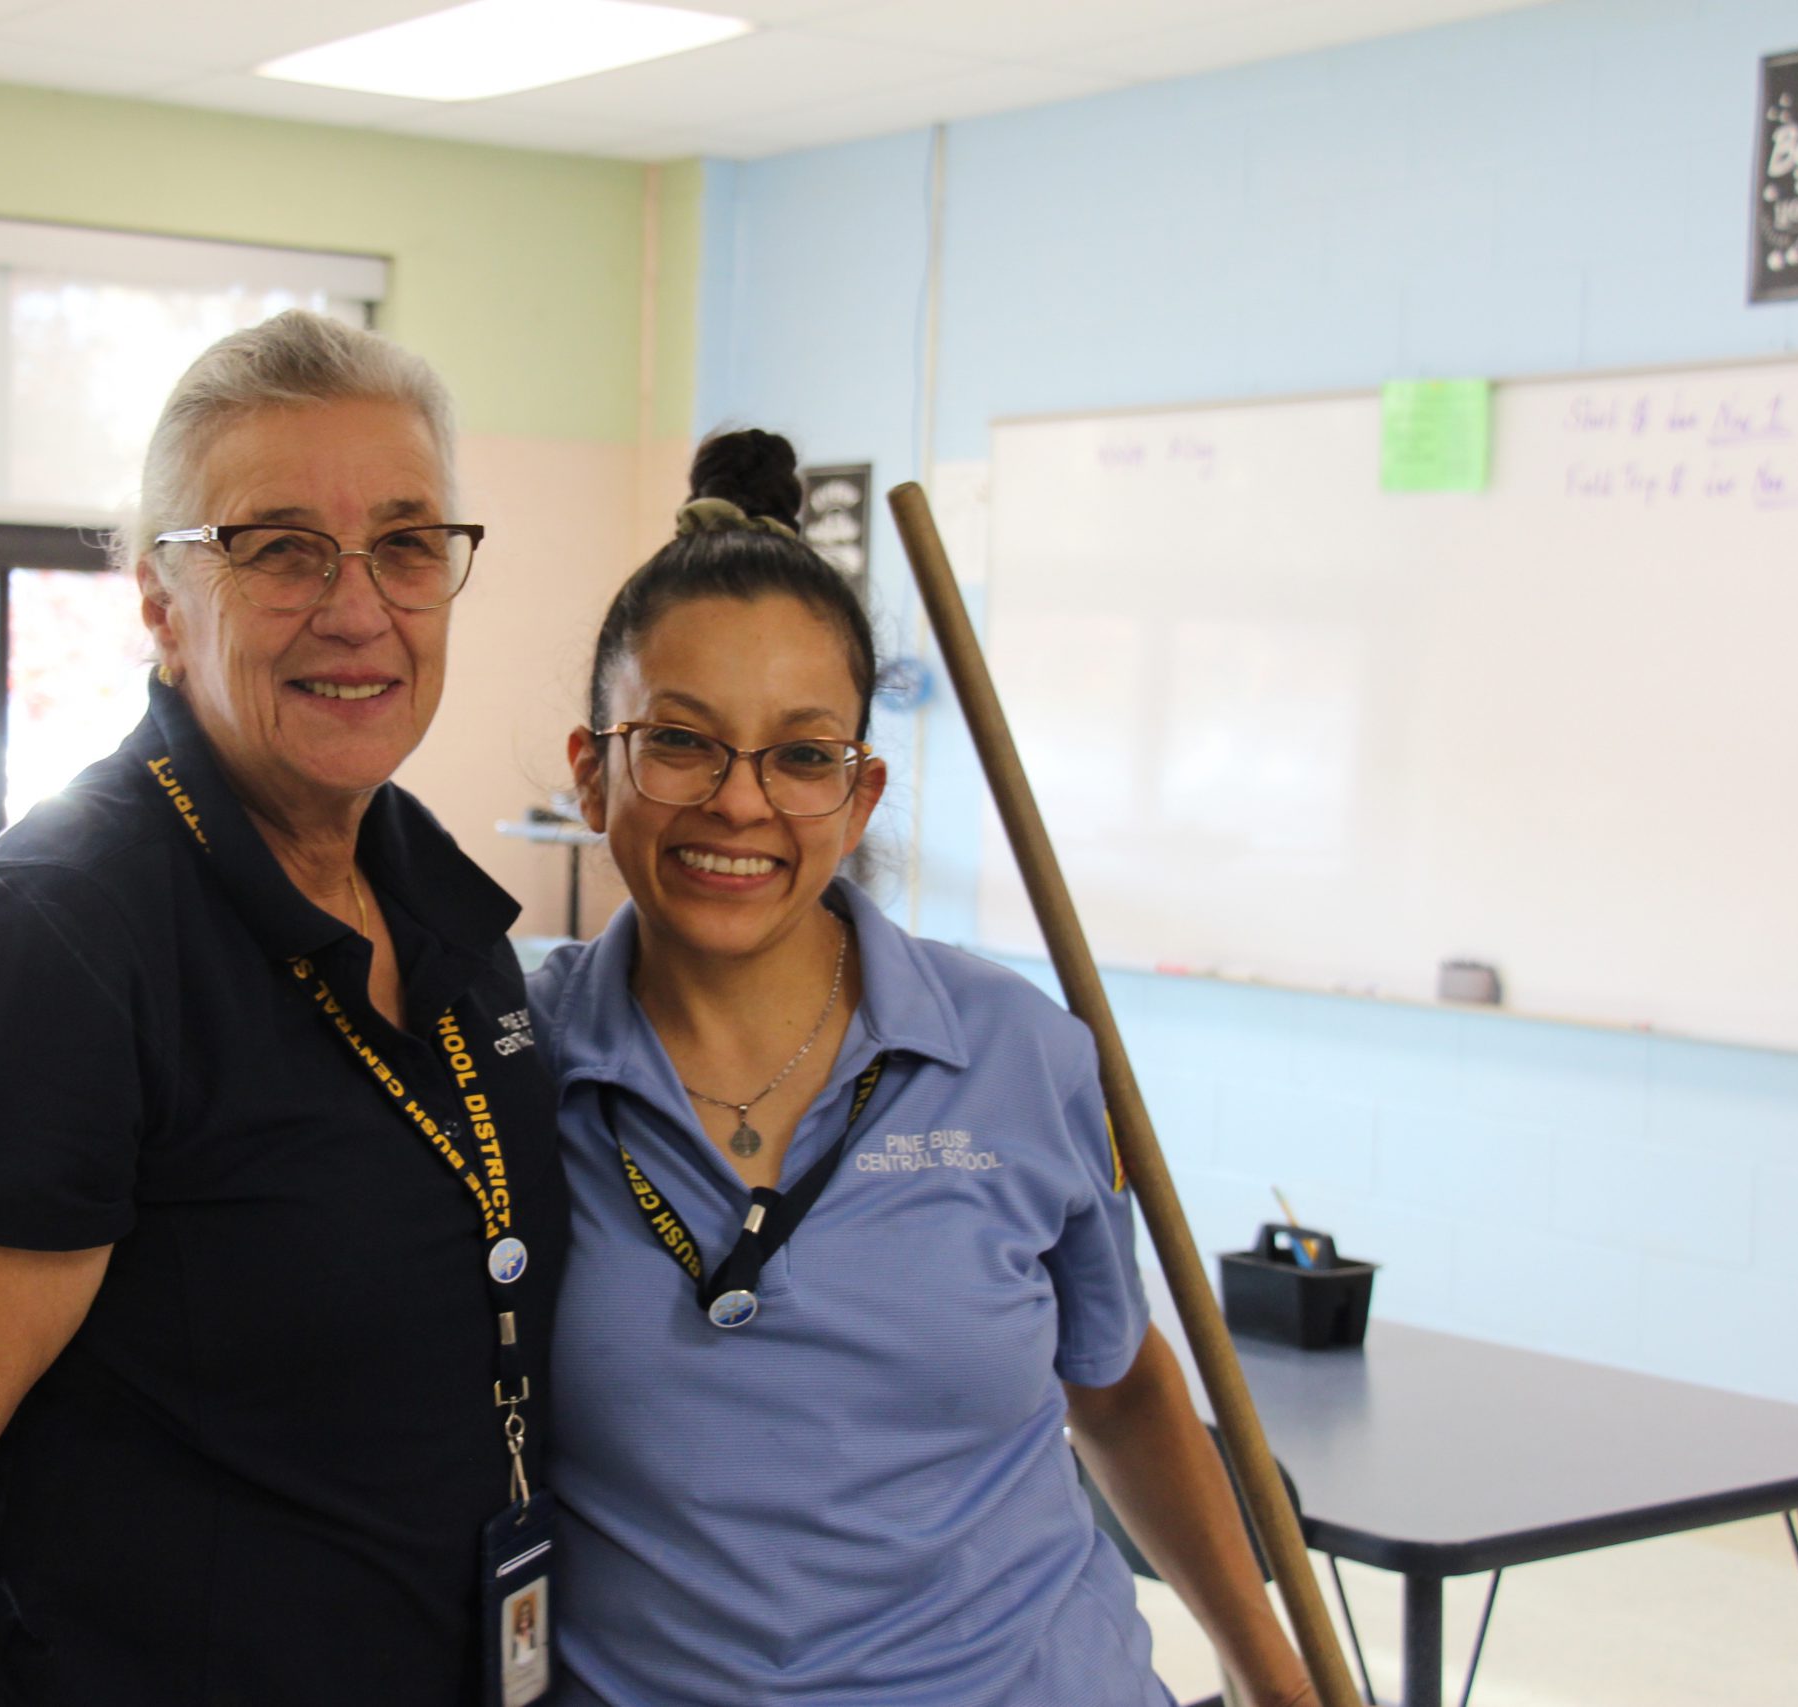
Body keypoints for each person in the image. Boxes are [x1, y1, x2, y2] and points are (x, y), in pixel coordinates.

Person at [0, 311, 568, 1706]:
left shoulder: (436, 899)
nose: (358, 606)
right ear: (157, 599)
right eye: (278, 546)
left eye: (406, 540)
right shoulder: (65, 939)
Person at [529, 429, 1317, 1707]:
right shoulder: (501, 1055)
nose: (741, 803)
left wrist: (1272, 1676)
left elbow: (1117, 1392)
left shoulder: (1018, 1052)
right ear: (591, 772)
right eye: (680, 742)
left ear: (860, 792)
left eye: (800, 754)